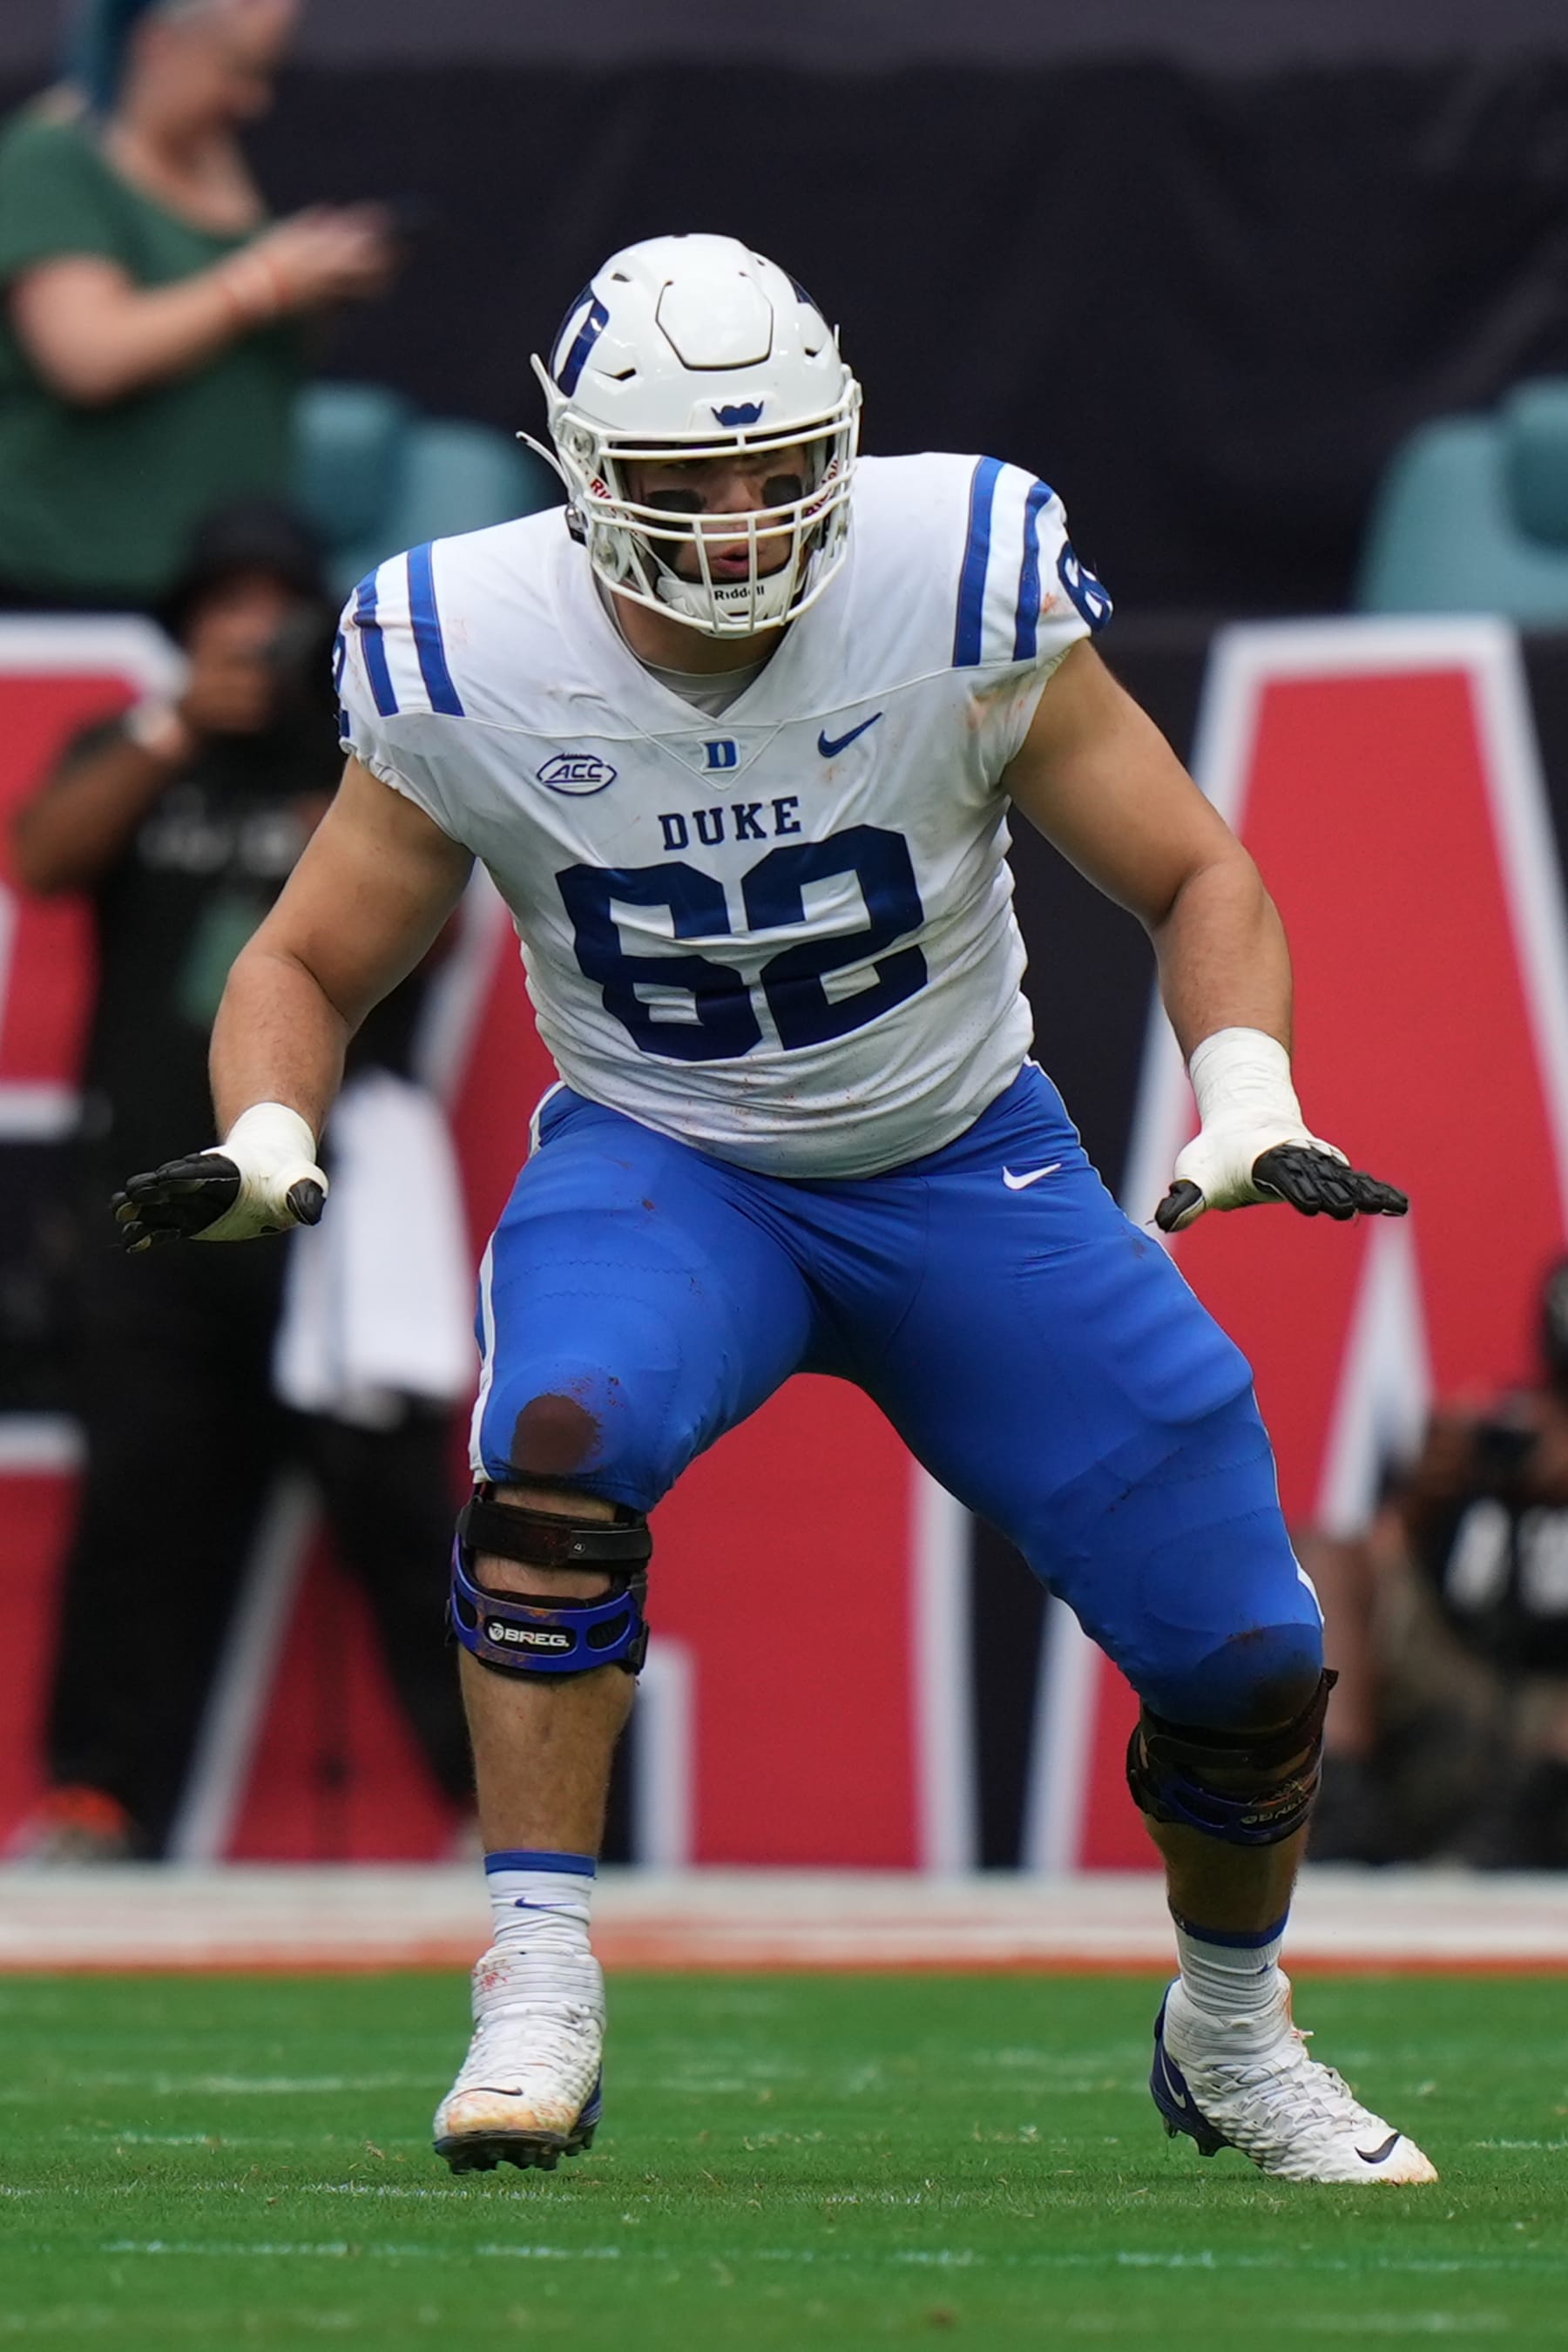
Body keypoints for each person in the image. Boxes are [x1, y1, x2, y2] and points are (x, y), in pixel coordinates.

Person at [116, 233, 1434, 2186]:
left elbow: (1196, 872)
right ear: (582, 474)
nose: (740, 520)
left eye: (775, 466)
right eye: (688, 478)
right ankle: (537, 1976)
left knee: (1246, 1655)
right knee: (556, 1451)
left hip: (965, 1160)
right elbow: (306, 958)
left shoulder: (951, 572)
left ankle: (1232, 2034)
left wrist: (1248, 1091)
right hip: (669, 1159)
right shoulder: (471, 639)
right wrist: (266, 1133)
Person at [10, 500, 471, 1859]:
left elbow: (434, 931)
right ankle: (98, 1801)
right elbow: (42, 857)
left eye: (273, 609)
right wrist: (175, 727)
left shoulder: (365, 764)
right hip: (160, 1207)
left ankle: (500, 1809)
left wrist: (327, 754)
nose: (248, 633)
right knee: (140, 1507)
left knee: (403, 1515)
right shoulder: (140, 751)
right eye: (225, 608)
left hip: (336, 1211)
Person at [0, 0, 393, 611]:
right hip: (77, 584)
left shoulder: (211, 156)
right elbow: (86, 357)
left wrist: (315, 287)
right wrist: (267, 280)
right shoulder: (52, 158)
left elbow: (243, 352)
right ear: (159, 44)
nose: (253, 101)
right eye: (238, 69)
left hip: (214, 582)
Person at [1308, 1254, 1568, 1869]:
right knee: (1323, 1556)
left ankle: (1519, 1843)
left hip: (1553, 1731)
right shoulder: (1498, 1432)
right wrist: (1423, 1495)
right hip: (1454, 1689)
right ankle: (1340, 1807)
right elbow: (1384, 1564)